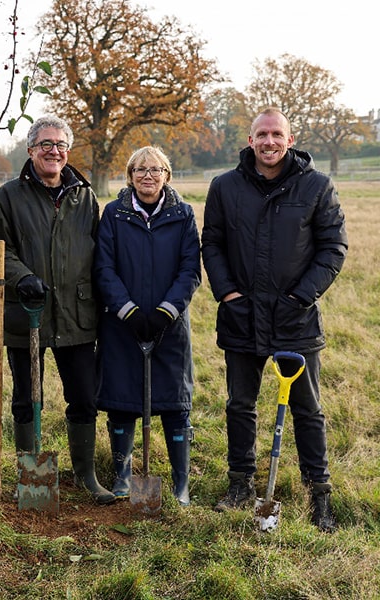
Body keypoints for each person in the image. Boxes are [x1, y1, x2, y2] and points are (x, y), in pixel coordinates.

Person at [201, 107, 347, 532]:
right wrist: (228, 294)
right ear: (250, 140)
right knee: (239, 405)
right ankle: (240, 485)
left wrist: (301, 296)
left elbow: (333, 248)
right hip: (241, 318)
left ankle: (318, 494)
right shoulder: (224, 187)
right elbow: (212, 243)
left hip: (295, 320)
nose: (268, 142)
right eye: (261, 134)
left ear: (289, 138)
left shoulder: (317, 186)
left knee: (308, 409)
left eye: (276, 134)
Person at [0, 115, 115, 505]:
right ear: (31, 150)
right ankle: (33, 477)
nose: (53, 151)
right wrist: (21, 277)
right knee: (27, 397)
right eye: (45, 145)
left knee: (84, 397)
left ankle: (86, 476)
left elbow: (98, 253)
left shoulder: (85, 196)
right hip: (28, 314)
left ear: (67, 151)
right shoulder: (8, 196)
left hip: (77, 314)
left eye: (60, 145)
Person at [93, 146, 201, 506]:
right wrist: (129, 312)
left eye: (155, 169)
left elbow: (190, 270)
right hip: (123, 326)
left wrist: (164, 313)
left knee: (174, 403)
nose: (148, 176)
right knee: (122, 399)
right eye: (140, 169)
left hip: (169, 328)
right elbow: (104, 269)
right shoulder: (114, 215)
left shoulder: (183, 215)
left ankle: (180, 484)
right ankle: (123, 475)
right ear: (130, 176)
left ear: (167, 176)